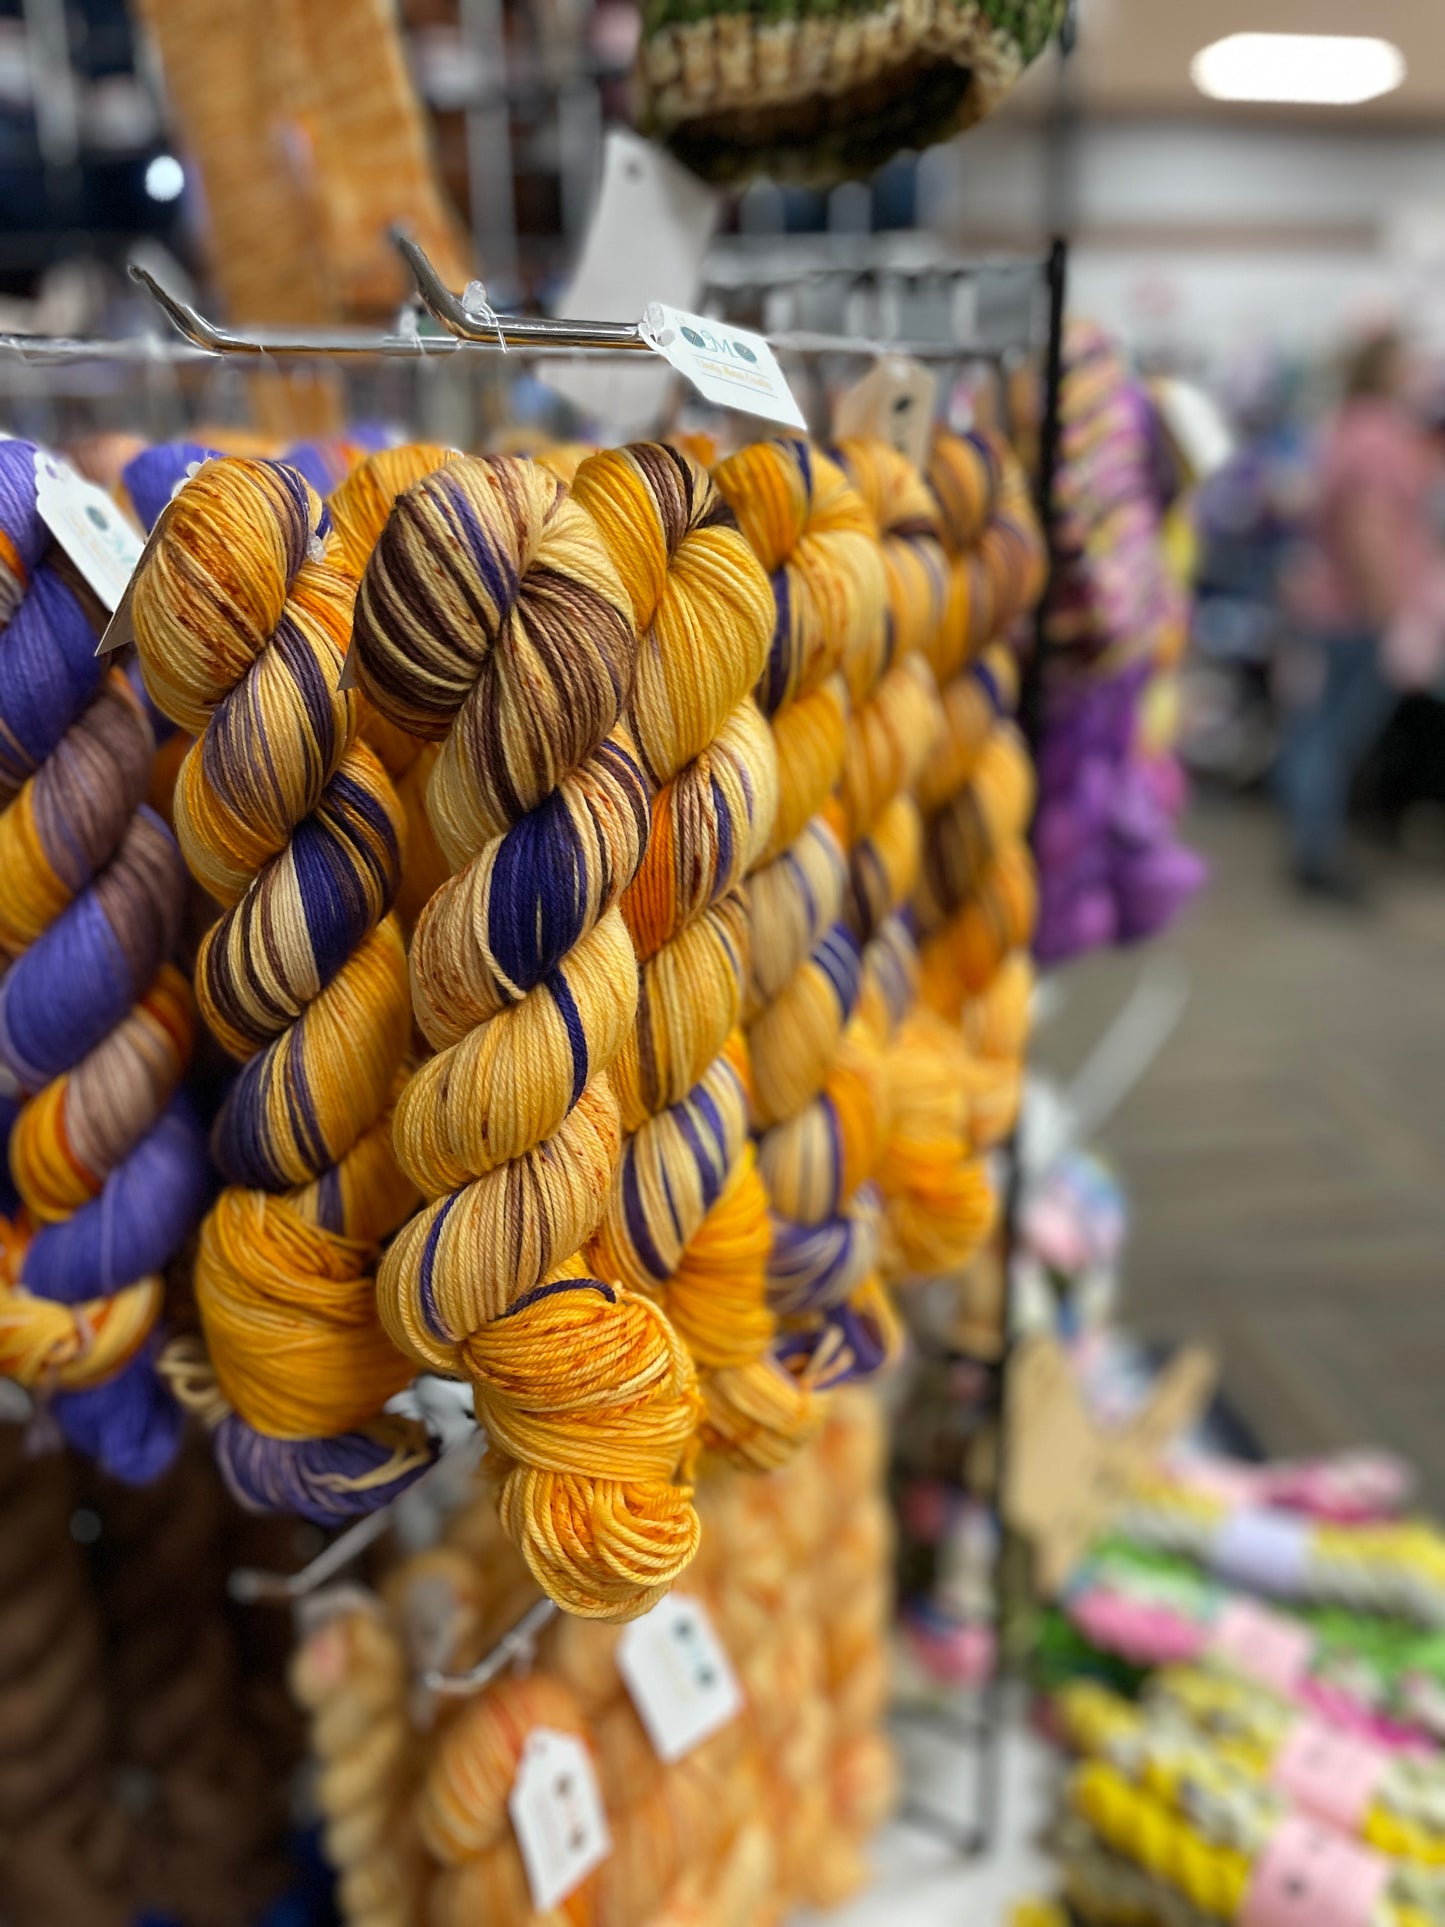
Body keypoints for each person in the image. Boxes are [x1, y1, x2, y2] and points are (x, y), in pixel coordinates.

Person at [1278, 330, 1442, 899]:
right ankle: (1316, 857)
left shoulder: (1350, 426)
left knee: (1316, 733)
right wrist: (1390, 613)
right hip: (1351, 613)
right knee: (1329, 738)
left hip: (1333, 606)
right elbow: (1367, 531)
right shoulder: (1377, 437)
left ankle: (1312, 846)